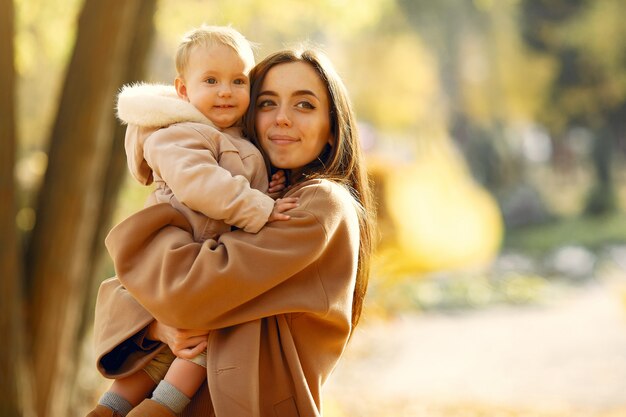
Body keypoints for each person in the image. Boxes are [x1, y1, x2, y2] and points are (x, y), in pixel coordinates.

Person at [93, 46, 376, 417]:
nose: (282, 119)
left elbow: (184, 290)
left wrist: (156, 253)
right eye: (267, 103)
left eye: (304, 105)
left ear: (331, 130)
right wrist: (159, 329)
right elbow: (118, 291)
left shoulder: (319, 206)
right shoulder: (249, 198)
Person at [87, 25, 298, 417]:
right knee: (201, 346)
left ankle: (114, 410)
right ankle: (144, 410)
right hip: (179, 254)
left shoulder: (231, 137)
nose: (225, 91)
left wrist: (268, 186)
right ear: (183, 90)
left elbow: (232, 177)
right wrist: (260, 207)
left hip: (199, 255)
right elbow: (201, 185)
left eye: (238, 81)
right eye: (211, 80)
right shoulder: (178, 133)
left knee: (172, 352)